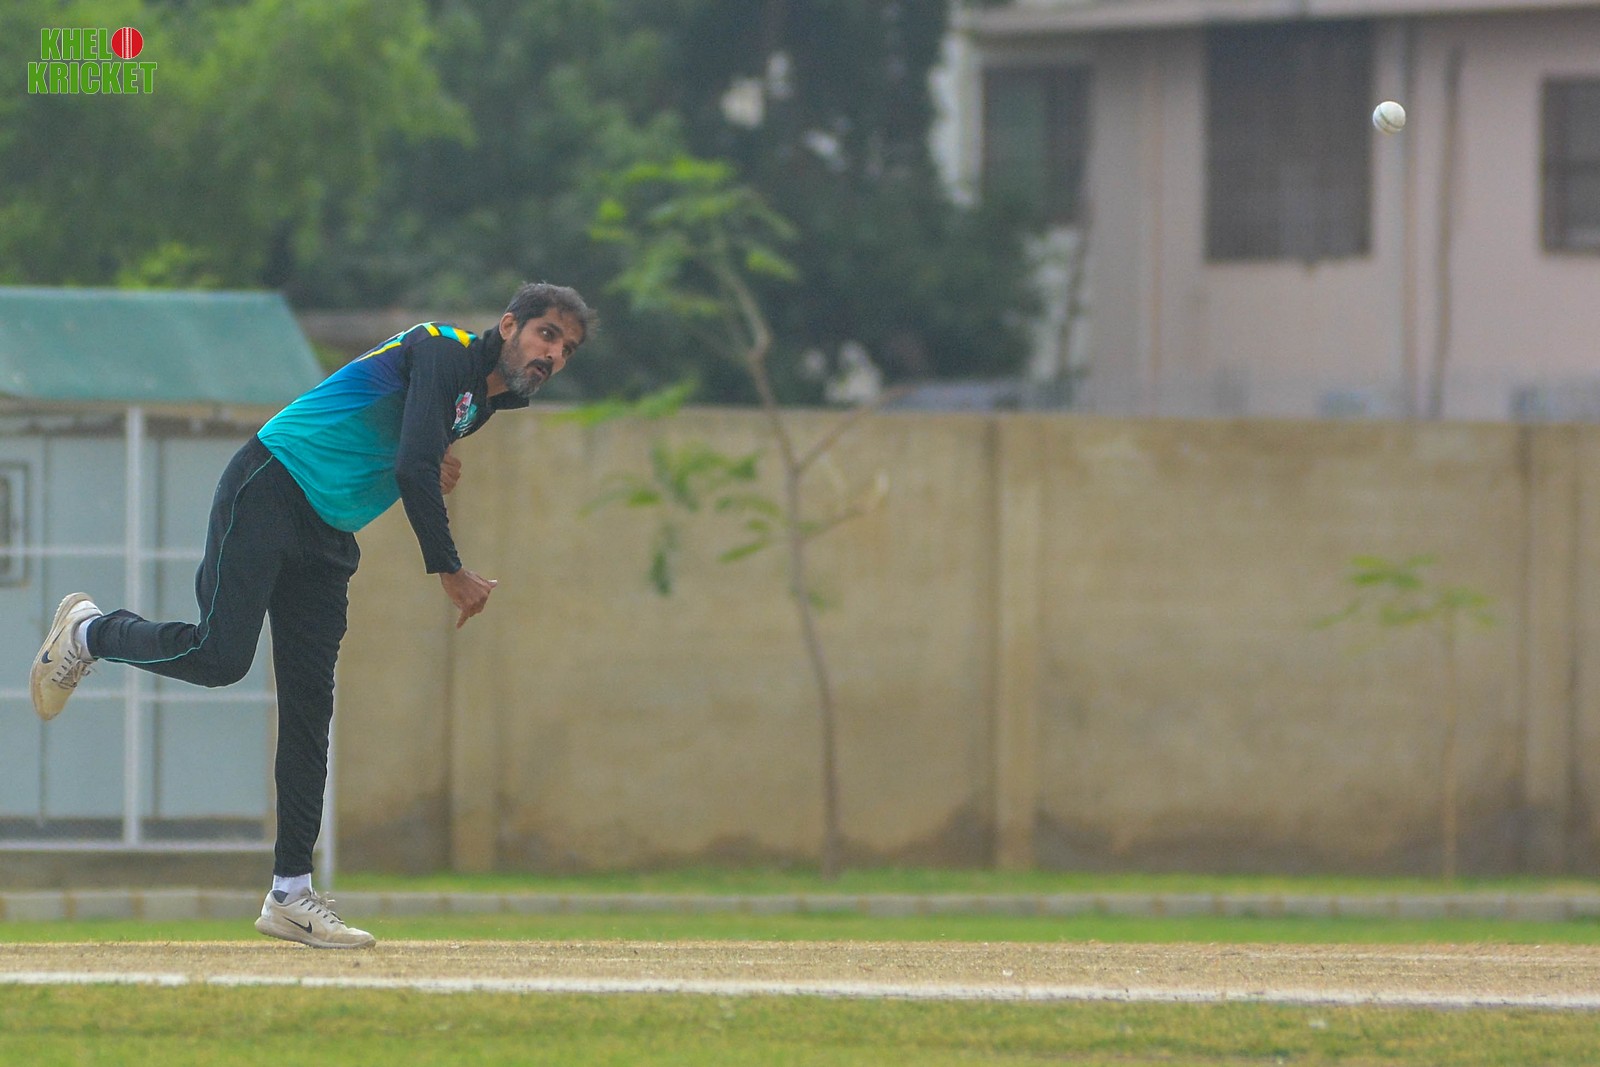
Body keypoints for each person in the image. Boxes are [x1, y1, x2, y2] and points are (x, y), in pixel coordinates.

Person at [28, 281, 594, 949]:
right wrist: (450, 567)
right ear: (508, 324)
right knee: (219, 657)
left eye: (568, 349)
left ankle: (290, 895)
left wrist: (430, 454)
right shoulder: (444, 348)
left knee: (309, 709)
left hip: (329, 532)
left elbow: (413, 448)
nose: (554, 355)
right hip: (273, 483)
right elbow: (413, 466)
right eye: (547, 334)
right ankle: (90, 631)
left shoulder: (487, 401)